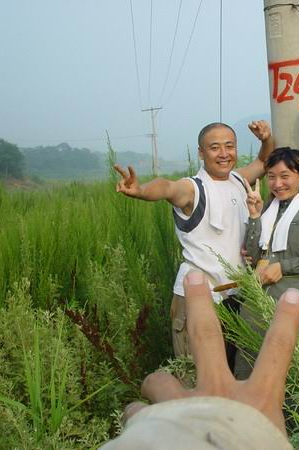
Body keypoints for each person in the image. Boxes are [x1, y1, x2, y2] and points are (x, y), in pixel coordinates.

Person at [114, 121, 274, 367]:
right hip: (200, 297)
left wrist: (266, 139)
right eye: (215, 147)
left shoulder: (238, 180)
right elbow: (167, 187)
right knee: (197, 374)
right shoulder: (193, 188)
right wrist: (141, 190)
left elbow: (264, 161)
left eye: (229, 146)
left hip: (235, 297)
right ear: (201, 152)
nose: (224, 153)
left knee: (231, 373)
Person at [100, 270, 299, 450]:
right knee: (193, 373)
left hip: (230, 296)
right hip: (209, 296)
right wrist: (238, 434)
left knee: (213, 378)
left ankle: (191, 413)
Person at [235, 147, 299, 379]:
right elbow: (252, 256)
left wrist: (284, 267)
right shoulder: (266, 209)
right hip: (257, 301)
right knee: (249, 364)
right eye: (271, 176)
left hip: (295, 299)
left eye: (284, 176)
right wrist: (254, 216)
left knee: (293, 371)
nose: (277, 183)